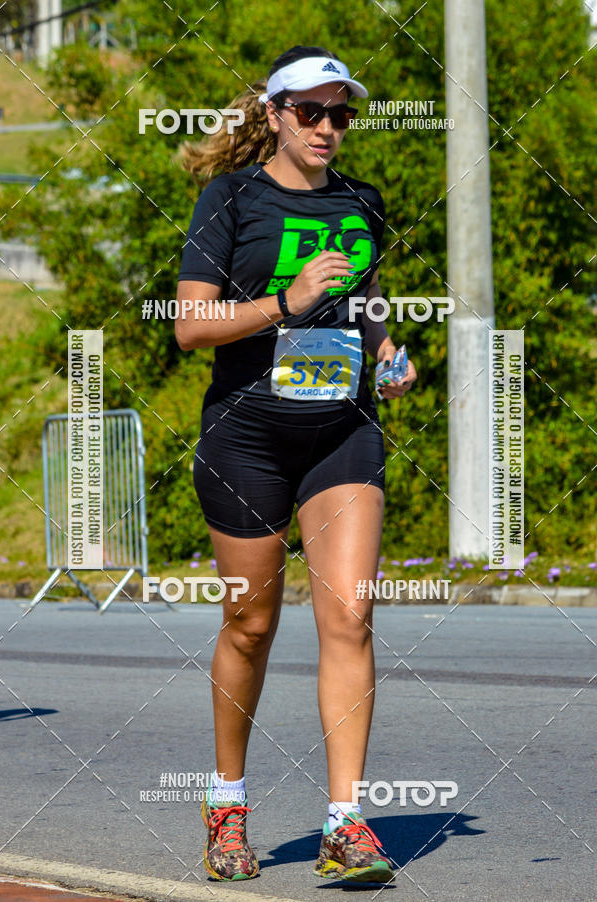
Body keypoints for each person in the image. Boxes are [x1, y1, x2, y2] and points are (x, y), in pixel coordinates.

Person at [175, 44, 417, 884]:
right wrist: (287, 302)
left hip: (340, 433)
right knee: (252, 625)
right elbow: (189, 327)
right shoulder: (230, 198)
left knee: (349, 617)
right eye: (309, 111)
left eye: (340, 113)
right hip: (248, 438)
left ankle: (345, 823)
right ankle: (227, 804)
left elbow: (368, 300)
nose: (326, 127)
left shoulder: (362, 201)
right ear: (275, 114)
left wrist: (387, 349)